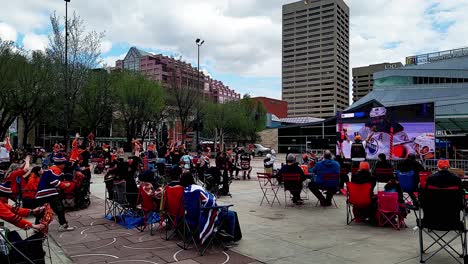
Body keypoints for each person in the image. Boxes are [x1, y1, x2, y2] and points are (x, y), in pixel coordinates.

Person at [180, 172, 240, 246]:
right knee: (231, 214)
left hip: (189, 217)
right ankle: (229, 240)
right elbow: (210, 202)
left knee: (226, 212)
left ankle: (221, 234)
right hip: (203, 217)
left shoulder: (184, 190)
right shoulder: (197, 189)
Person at [35, 155, 75, 231]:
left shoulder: (50, 169)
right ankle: (63, 225)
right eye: (64, 164)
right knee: (59, 208)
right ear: (61, 164)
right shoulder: (56, 170)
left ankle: (37, 226)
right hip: (49, 193)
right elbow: (54, 181)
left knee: (42, 210)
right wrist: (64, 185)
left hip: (40, 193)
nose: (64, 166)